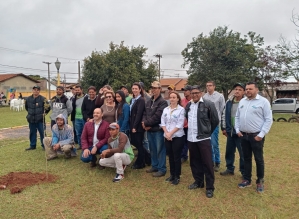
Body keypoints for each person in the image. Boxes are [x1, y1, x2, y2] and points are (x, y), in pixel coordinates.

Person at [235, 82, 273, 193]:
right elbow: (237, 116)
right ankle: (247, 179)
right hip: (243, 136)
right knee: (246, 158)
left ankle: (260, 181)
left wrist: (261, 135)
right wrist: (237, 130)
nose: (248, 91)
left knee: (259, 159)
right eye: (246, 89)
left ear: (256, 89)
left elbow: (268, 119)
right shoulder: (242, 101)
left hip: (256, 136)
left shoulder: (263, 102)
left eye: (250, 89)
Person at [186, 85, 219, 198]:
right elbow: (187, 118)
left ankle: (210, 187)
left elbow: (215, 120)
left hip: (203, 138)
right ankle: (198, 182)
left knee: (207, 163)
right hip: (191, 138)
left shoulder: (208, 104)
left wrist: (207, 132)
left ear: (201, 93)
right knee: (194, 162)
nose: (194, 95)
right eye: (192, 93)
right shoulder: (188, 105)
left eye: (196, 92)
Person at [143, 81, 168, 177]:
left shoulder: (163, 102)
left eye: (156, 88)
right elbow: (145, 113)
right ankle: (155, 165)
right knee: (153, 149)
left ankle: (162, 169)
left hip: (158, 130)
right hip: (149, 130)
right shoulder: (148, 101)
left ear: (160, 89)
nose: (153, 89)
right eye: (152, 87)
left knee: (160, 150)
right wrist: (144, 123)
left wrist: (146, 123)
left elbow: (158, 117)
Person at [220, 83, 245, 177]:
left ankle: (243, 172)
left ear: (243, 92)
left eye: (240, 89)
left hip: (241, 132)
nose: (237, 91)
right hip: (230, 131)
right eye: (236, 89)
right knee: (229, 151)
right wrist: (223, 128)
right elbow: (224, 114)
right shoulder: (229, 101)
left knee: (242, 153)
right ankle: (230, 168)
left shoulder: (245, 102)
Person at [161, 91, 185, 185]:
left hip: (177, 136)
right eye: (170, 97)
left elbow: (180, 124)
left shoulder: (181, 110)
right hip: (167, 136)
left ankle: (177, 176)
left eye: (174, 97)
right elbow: (163, 122)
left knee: (176, 157)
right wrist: (167, 133)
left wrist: (170, 133)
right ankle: (172, 175)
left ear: (178, 99)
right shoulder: (165, 109)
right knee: (170, 156)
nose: (172, 99)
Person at [203, 81, 225, 172]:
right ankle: (210, 161)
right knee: (208, 143)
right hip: (206, 123)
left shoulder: (220, 96)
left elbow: (222, 109)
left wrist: (219, 120)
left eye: (210, 85)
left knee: (214, 143)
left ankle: (217, 161)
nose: (208, 87)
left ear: (214, 86)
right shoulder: (204, 97)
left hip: (215, 123)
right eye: (207, 86)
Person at [25, 85, 50, 151]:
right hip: (31, 119)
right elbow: (26, 107)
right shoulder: (28, 99)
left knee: (42, 133)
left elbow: (48, 108)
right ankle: (32, 145)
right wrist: (30, 114)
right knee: (32, 133)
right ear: (32, 90)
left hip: (40, 119)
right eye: (34, 90)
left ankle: (44, 145)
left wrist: (44, 114)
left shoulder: (43, 99)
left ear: (39, 91)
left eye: (37, 90)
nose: (36, 91)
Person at [130, 82, 146, 169]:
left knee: (139, 144)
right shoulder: (133, 99)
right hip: (132, 125)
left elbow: (139, 114)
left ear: (140, 90)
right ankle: (148, 157)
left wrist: (134, 127)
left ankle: (140, 163)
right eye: (133, 89)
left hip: (137, 127)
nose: (134, 90)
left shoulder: (141, 100)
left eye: (136, 89)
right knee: (134, 142)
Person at [180, 85, 192, 163]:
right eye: (183, 90)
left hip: (190, 126)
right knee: (183, 141)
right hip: (182, 125)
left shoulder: (192, 101)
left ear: (190, 91)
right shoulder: (182, 101)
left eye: (186, 90)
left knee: (189, 142)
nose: (184, 92)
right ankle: (184, 156)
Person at [71, 85, 85, 150]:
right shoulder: (74, 98)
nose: (77, 91)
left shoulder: (86, 97)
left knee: (85, 132)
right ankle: (80, 145)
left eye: (78, 90)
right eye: (76, 90)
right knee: (78, 132)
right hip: (76, 118)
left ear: (82, 90)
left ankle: (86, 145)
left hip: (84, 118)